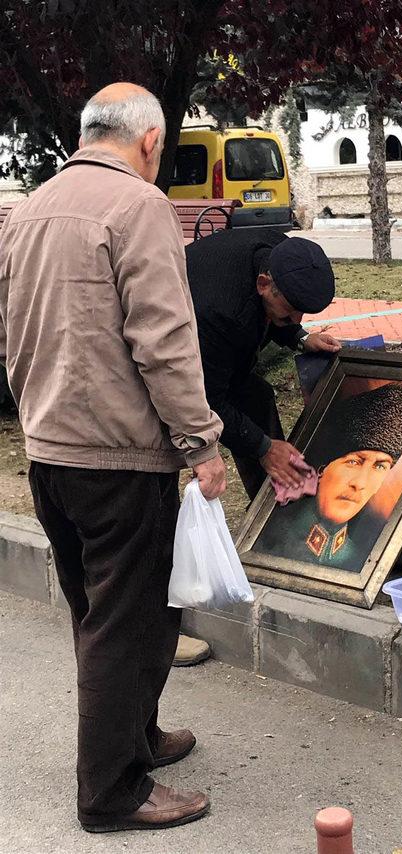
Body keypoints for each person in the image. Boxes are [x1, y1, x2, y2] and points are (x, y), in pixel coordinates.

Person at [0, 83, 226, 831]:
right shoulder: (139, 208)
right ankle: (112, 790)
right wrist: (201, 443)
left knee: (106, 613)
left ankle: (136, 737)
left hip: (49, 450)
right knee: (124, 622)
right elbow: (164, 341)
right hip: (119, 457)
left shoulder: (29, 207)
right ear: (151, 142)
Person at [186, 228, 340, 501]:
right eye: (291, 311)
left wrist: (301, 338)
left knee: (258, 397)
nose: (297, 318)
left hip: (219, 321)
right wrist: (264, 448)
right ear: (263, 283)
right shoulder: (221, 313)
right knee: (246, 409)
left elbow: (273, 311)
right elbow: (208, 402)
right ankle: (270, 495)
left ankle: (271, 500)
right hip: (169, 355)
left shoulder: (281, 254)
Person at [256, 383, 402, 572]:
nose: (360, 483)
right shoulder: (272, 537)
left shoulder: (356, 557)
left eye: (379, 466)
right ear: (322, 469)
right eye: (353, 462)